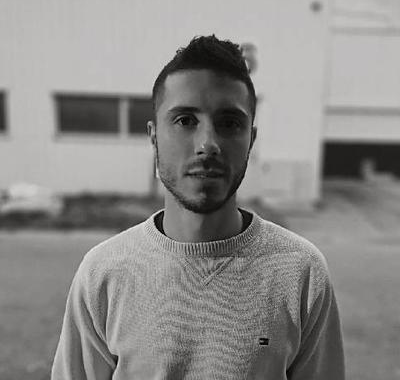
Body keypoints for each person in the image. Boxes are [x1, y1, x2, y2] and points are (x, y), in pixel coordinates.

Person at [51, 35, 345, 379]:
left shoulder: (301, 272)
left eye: (229, 123)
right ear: (154, 136)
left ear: (251, 138)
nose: (208, 144)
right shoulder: (103, 273)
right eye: (185, 120)